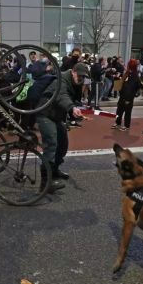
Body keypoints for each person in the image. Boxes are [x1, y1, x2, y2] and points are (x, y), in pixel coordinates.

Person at [36, 63, 87, 191]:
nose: (81, 79)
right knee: (51, 144)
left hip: (56, 116)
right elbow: (61, 96)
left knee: (63, 143)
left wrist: (74, 113)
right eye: (79, 76)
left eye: (83, 77)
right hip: (45, 114)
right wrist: (72, 108)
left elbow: (72, 100)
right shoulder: (62, 79)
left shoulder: (75, 83)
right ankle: (45, 183)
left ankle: (54, 170)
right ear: (73, 72)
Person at [112, 59, 142, 131]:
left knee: (127, 112)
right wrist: (117, 78)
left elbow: (131, 87)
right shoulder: (128, 73)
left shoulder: (134, 75)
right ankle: (118, 123)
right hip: (123, 95)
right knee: (119, 110)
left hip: (128, 96)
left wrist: (128, 98)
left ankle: (126, 126)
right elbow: (122, 83)